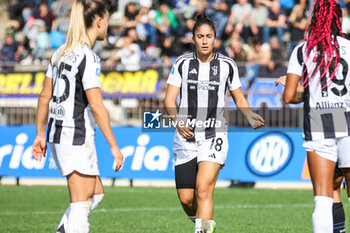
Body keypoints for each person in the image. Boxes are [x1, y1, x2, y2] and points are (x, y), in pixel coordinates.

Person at [165, 13, 265, 233]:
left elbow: (238, 97)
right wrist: (176, 120)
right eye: (200, 36)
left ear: (215, 38)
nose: (204, 40)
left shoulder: (228, 65)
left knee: (203, 189)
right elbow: (169, 99)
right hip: (185, 137)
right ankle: (204, 224)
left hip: (214, 135)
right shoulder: (181, 63)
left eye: (208, 36)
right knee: (186, 199)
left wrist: (248, 113)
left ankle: (201, 229)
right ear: (193, 38)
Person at [31, 1, 124, 232]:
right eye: (107, 21)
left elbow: (44, 97)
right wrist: (114, 145)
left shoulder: (60, 53)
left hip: (56, 132)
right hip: (75, 134)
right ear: (99, 21)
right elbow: (97, 105)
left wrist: (40, 135)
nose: (108, 26)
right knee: (81, 206)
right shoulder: (88, 57)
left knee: (96, 194)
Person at [281, 0, 350, 231]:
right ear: (338, 19)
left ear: (314, 19)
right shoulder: (349, 47)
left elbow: (289, 97)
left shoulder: (303, 49)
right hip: (348, 119)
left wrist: (309, 93)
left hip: (319, 120)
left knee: (323, 199)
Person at [276, 75, 346, 233]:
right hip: (340, 122)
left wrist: (291, 85)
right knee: (334, 187)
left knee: (330, 191)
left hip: (330, 126)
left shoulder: (308, 53)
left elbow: (294, 97)